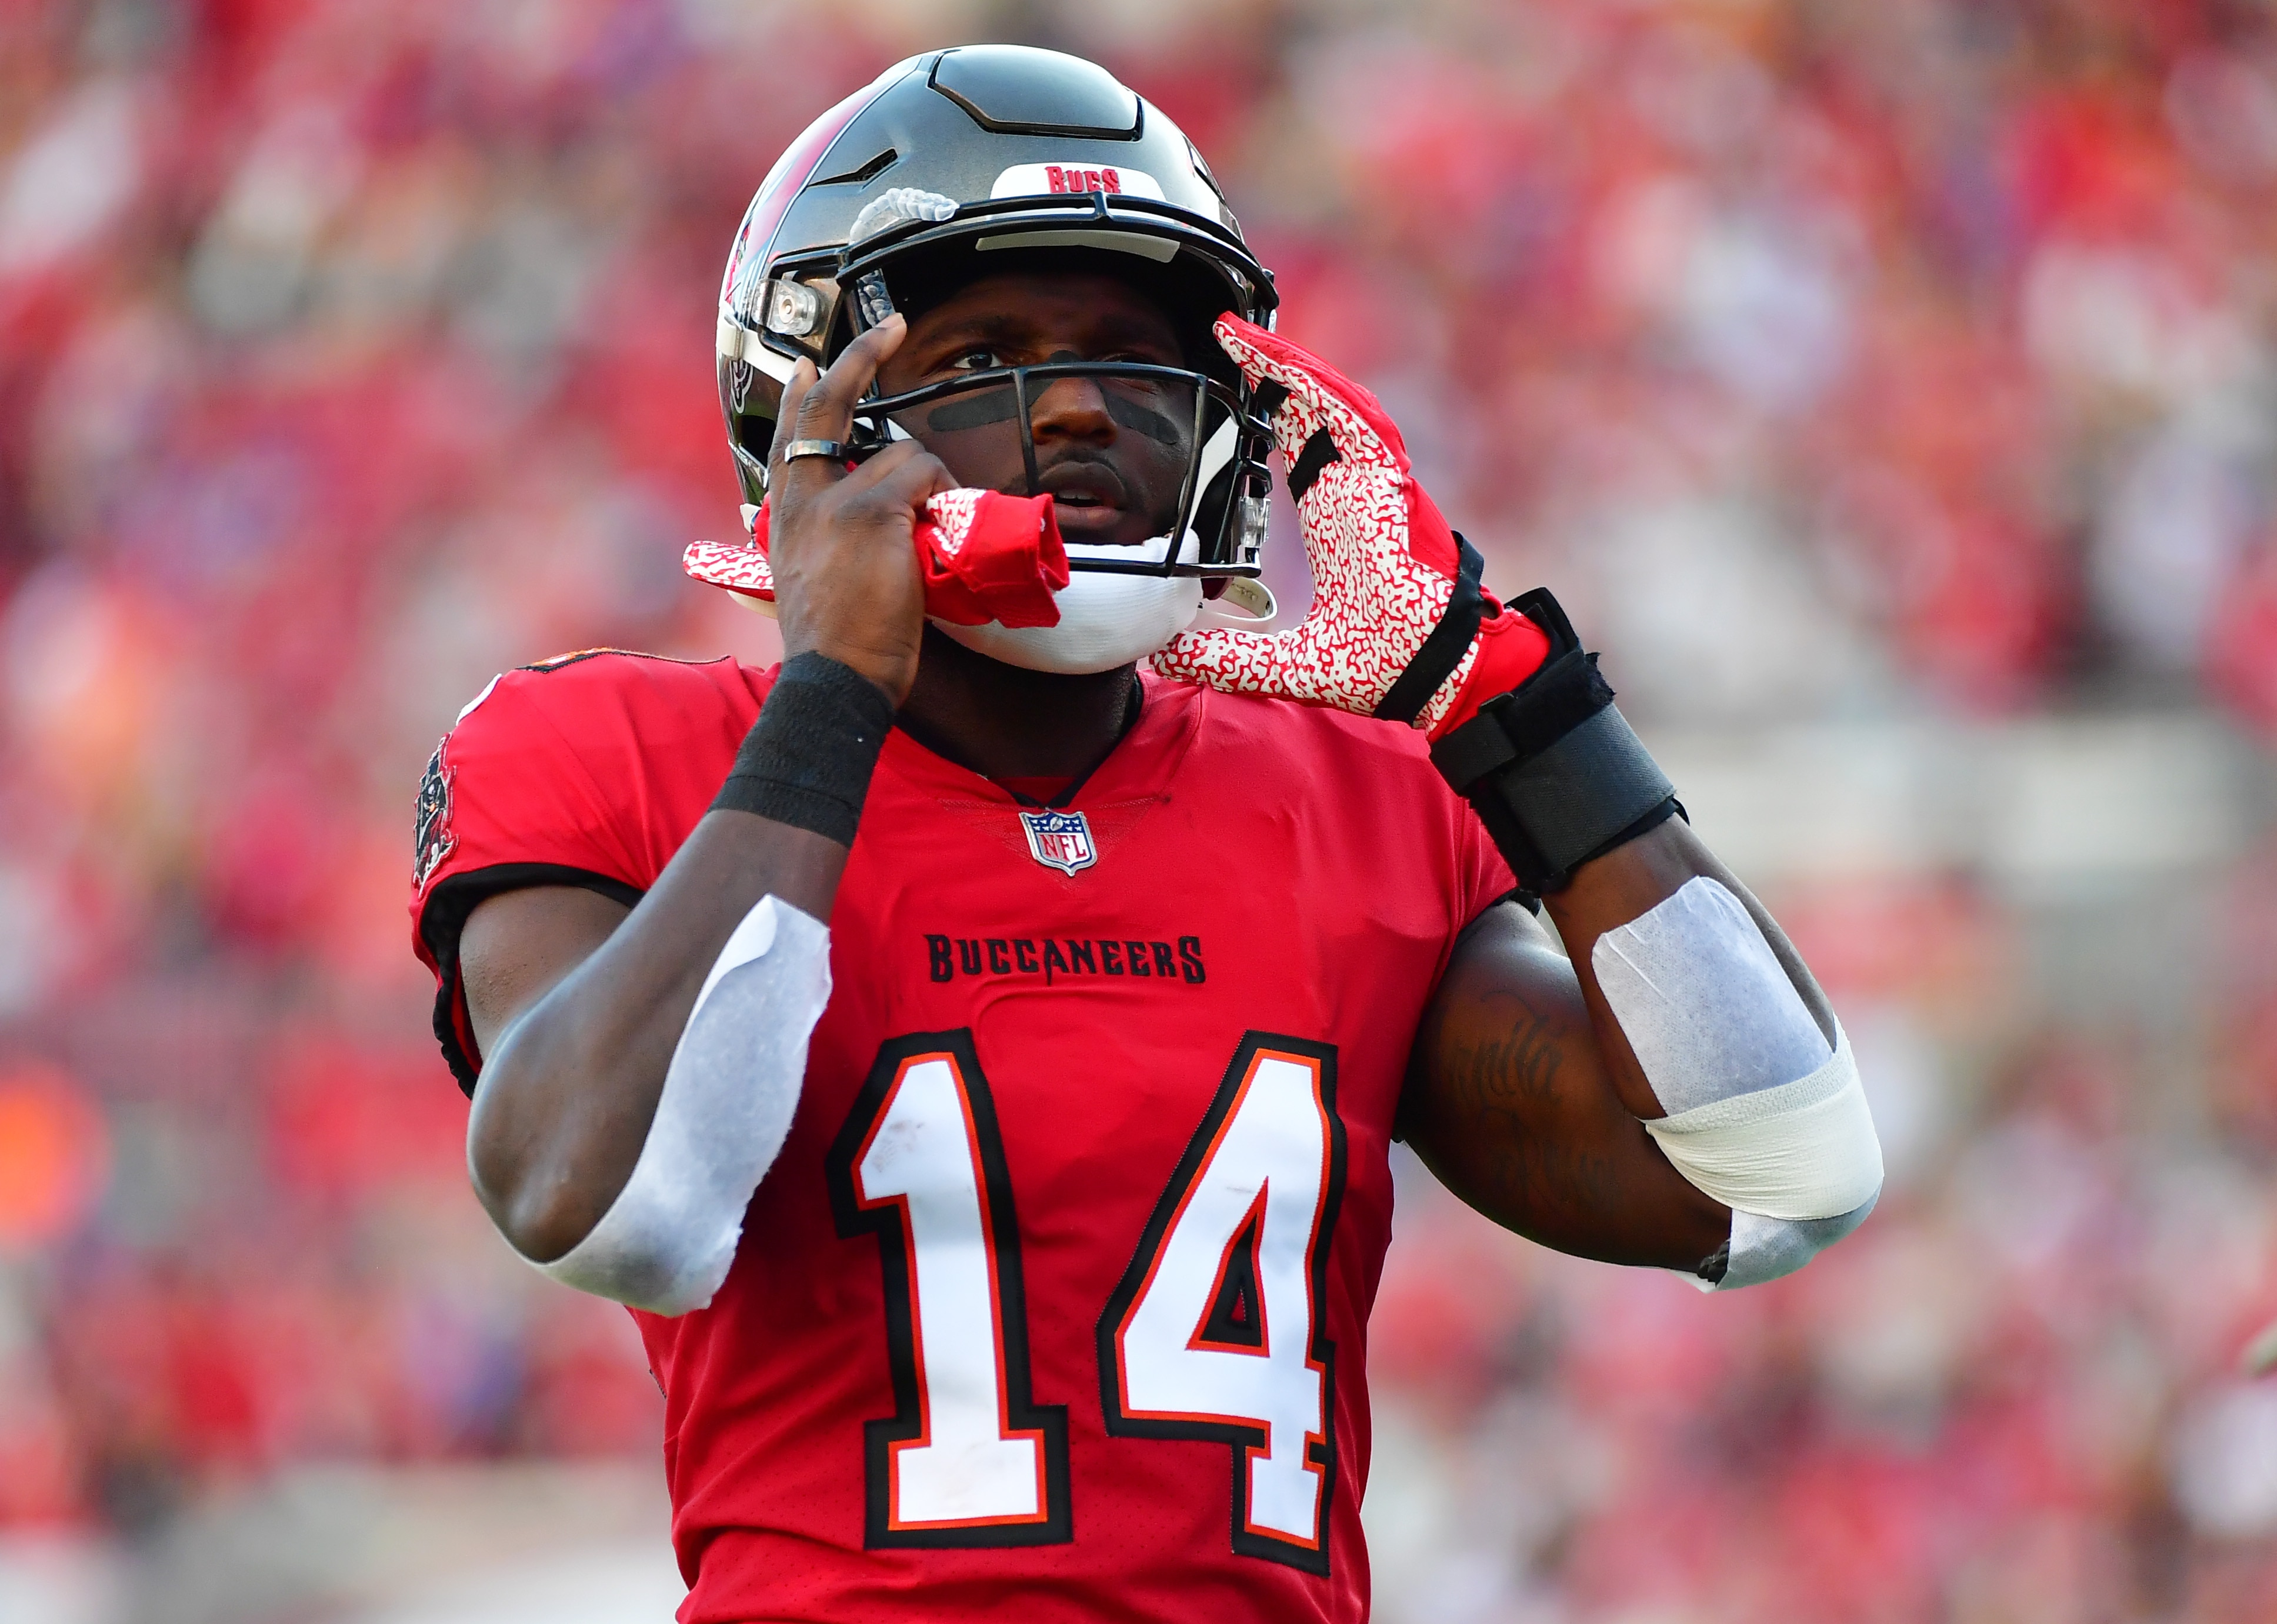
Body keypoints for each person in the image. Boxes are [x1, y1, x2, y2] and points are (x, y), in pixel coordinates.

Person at [407, 45, 1882, 1624]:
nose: (1085, 406)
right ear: (816, 408)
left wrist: (1505, 702)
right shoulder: (611, 749)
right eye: (988, 353)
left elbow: (1777, 1176)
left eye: (1132, 352)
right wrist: (834, 692)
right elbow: (610, 1201)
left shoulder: (1354, 795)